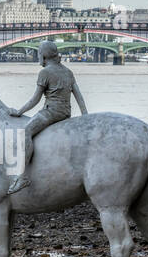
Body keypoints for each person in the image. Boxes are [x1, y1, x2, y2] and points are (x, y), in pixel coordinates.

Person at [5, 40, 87, 194]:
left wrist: (19, 112)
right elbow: (79, 97)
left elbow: (35, 100)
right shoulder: (68, 71)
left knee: (26, 132)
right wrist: (85, 116)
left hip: (51, 112)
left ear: (42, 55)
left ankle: (22, 176)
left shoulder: (45, 72)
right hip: (66, 113)